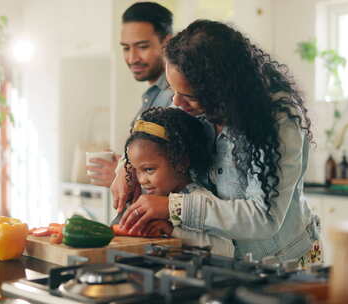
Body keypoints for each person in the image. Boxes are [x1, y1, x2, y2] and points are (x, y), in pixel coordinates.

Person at [115, 20, 322, 265]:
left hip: (282, 263)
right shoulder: (192, 106)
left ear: (222, 92)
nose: (177, 104)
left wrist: (173, 207)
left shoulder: (277, 121)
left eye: (189, 95)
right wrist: (125, 166)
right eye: (173, 90)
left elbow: (263, 218)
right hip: (220, 260)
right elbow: (156, 133)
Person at [123, 107, 234, 256]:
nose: (142, 180)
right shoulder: (154, 200)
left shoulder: (199, 199)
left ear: (181, 163)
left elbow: (226, 249)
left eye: (149, 169)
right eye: (136, 170)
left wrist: (173, 231)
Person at [86, 2, 175, 187]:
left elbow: (180, 179)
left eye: (142, 47)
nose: (132, 58)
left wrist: (125, 177)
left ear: (167, 43)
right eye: (126, 48)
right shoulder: (152, 96)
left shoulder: (176, 98)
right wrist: (123, 166)